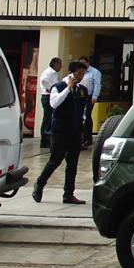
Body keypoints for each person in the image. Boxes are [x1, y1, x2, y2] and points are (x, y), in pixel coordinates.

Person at [33, 61, 90, 205]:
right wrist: (68, 89)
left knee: (72, 164)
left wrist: (82, 123)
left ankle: (68, 194)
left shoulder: (82, 89)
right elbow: (54, 104)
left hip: (75, 131)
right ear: (71, 73)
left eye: (83, 73)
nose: (81, 76)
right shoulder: (58, 87)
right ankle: (39, 184)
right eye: (79, 73)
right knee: (55, 160)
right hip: (60, 130)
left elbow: (83, 109)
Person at [78, 54, 102, 149]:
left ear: (88, 63)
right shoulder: (79, 71)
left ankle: (87, 138)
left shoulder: (94, 72)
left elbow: (97, 84)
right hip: (79, 96)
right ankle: (80, 138)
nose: (82, 65)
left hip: (89, 96)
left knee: (87, 116)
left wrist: (95, 96)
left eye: (84, 63)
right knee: (79, 116)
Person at [37, 57, 62, 149]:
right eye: (60, 64)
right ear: (55, 64)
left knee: (50, 118)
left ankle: (47, 138)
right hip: (47, 97)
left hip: (50, 96)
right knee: (47, 118)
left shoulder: (53, 73)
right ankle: (44, 140)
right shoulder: (49, 72)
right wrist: (51, 89)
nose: (61, 67)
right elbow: (43, 80)